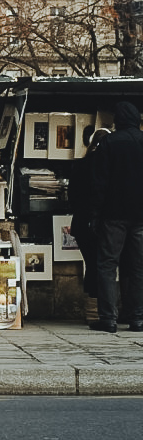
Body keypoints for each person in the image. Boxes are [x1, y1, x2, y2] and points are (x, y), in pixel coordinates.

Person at [90, 102, 143, 333]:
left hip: (113, 214)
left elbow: (99, 183)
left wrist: (95, 214)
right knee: (139, 267)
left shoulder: (108, 143)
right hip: (141, 216)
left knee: (107, 265)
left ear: (118, 121)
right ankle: (138, 318)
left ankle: (108, 319)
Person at [69, 126, 109, 301]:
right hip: (104, 221)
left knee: (91, 263)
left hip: (81, 221)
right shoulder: (109, 166)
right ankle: (102, 307)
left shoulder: (80, 165)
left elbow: (72, 196)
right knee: (104, 265)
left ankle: (92, 308)